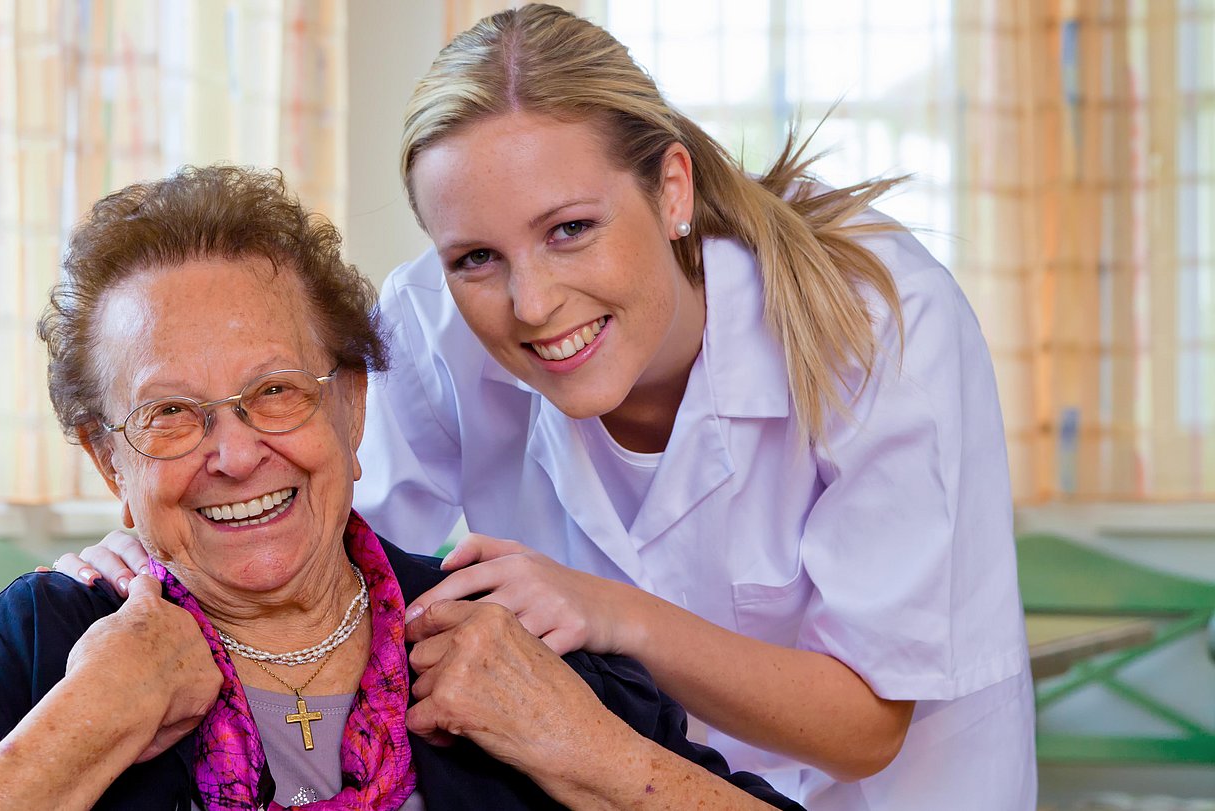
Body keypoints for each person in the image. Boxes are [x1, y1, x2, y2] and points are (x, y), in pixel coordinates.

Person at [59, 5, 1036, 808]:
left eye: (571, 229)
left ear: (671, 188)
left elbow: (865, 725)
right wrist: (153, 553)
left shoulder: (877, 318)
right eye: (476, 257)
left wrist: (607, 611)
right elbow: (331, 558)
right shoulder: (430, 328)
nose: (530, 304)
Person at [0, 165, 801, 811]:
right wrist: (90, 719)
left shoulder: (496, 632)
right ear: (111, 462)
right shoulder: (40, 650)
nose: (234, 454)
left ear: (352, 408)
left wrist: (581, 745)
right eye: (171, 414)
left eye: (275, 392)